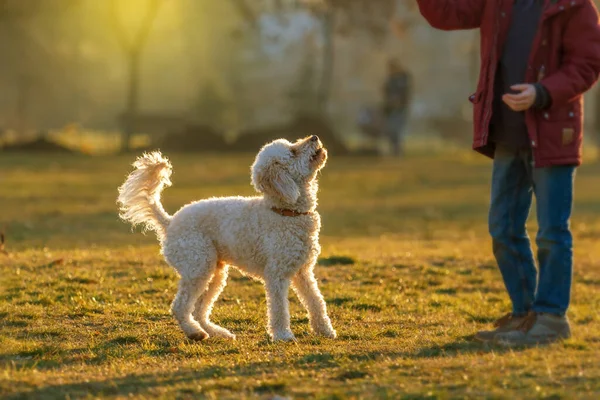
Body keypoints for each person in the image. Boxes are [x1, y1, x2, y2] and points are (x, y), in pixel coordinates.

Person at [416, 0, 600, 346]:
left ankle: (551, 318)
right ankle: (525, 314)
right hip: (507, 134)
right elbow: (446, 14)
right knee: (503, 229)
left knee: (552, 233)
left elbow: (588, 64)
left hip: (551, 135)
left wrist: (542, 92)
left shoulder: (575, 5)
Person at [383, 59, 412, 157]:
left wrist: (398, 102)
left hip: (400, 108)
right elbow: (386, 91)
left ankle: (397, 151)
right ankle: (394, 150)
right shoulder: (391, 79)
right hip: (391, 108)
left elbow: (404, 93)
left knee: (396, 129)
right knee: (391, 129)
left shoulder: (402, 79)